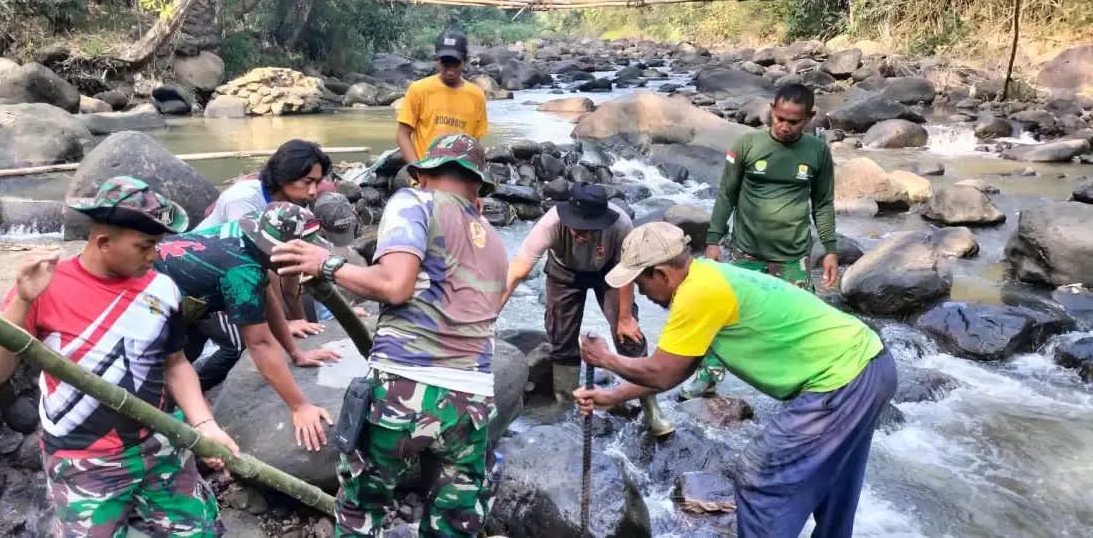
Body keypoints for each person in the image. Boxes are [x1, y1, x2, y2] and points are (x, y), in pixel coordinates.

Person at [574, 222, 896, 538]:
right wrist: (615, 395)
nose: (641, 294)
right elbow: (680, 369)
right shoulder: (708, 276)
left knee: (760, 476)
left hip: (844, 379)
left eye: (641, 284)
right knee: (835, 483)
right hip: (871, 365)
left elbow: (662, 370)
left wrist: (606, 358)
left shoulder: (696, 293)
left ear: (662, 273)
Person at [0, 176, 240, 538]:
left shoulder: (162, 288)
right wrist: (22, 303)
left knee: (200, 533)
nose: (154, 256)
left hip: (160, 442)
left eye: (157, 244)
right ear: (103, 242)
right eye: (145, 246)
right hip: (83, 460)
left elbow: (176, 364)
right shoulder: (46, 286)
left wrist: (204, 425)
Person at [270, 134, 507, 538]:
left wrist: (325, 264)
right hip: (473, 401)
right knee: (455, 521)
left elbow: (395, 285)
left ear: (424, 174)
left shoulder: (414, 202)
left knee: (363, 509)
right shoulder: (496, 242)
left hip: (405, 391)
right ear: (478, 185)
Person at [688, 82, 840, 399]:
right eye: (780, 118)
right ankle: (708, 378)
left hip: (793, 256)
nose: (784, 126)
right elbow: (726, 194)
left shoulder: (817, 151)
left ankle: (808, 385)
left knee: (802, 321)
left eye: (794, 121)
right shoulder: (746, 144)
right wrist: (713, 240)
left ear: (810, 117)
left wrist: (830, 249)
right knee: (724, 315)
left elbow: (823, 203)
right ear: (771, 110)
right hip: (745, 253)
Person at [153, 202, 337, 450]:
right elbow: (259, 343)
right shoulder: (242, 269)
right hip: (149, 297)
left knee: (186, 357)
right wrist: (300, 406)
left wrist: (296, 353)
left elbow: (264, 291)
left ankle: (190, 409)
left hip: (184, 293)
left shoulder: (249, 234)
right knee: (159, 373)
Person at [500, 183, 643, 396]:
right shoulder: (550, 224)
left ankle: (646, 402)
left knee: (629, 335)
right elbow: (516, 273)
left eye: (590, 228)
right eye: (578, 227)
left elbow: (627, 272)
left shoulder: (621, 224)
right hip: (564, 272)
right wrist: (490, 313)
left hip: (611, 272)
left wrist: (624, 318)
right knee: (560, 336)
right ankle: (566, 401)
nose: (584, 235)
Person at [197, 139, 334, 341]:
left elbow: (291, 267)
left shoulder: (294, 205)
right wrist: (283, 324)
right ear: (283, 176)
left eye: (317, 182)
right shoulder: (243, 200)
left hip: (236, 271)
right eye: (307, 182)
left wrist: (303, 322)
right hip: (205, 272)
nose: (313, 191)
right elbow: (257, 265)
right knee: (235, 347)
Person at [396, 29, 488, 164]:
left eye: (455, 65)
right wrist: (418, 170)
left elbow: (474, 143)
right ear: (436, 60)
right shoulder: (419, 90)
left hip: (460, 175)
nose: (450, 72)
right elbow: (402, 135)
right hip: (427, 176)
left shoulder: (476, 96)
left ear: (465, 60)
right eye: (445, 65)